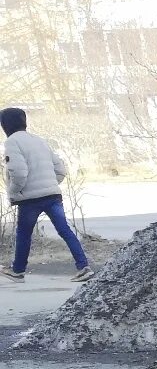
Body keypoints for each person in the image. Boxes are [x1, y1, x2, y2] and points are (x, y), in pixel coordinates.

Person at [2, 107, 91, 283]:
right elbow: (60, 169)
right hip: (52, 194)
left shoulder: (12, 142)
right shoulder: (39, 140)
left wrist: (14, 192)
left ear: (5, 125)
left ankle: (18, 270)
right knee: (65, 230)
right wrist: (49, 183)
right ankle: (84, 267)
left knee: (24, 234)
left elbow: (18, 173)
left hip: (30, 199)